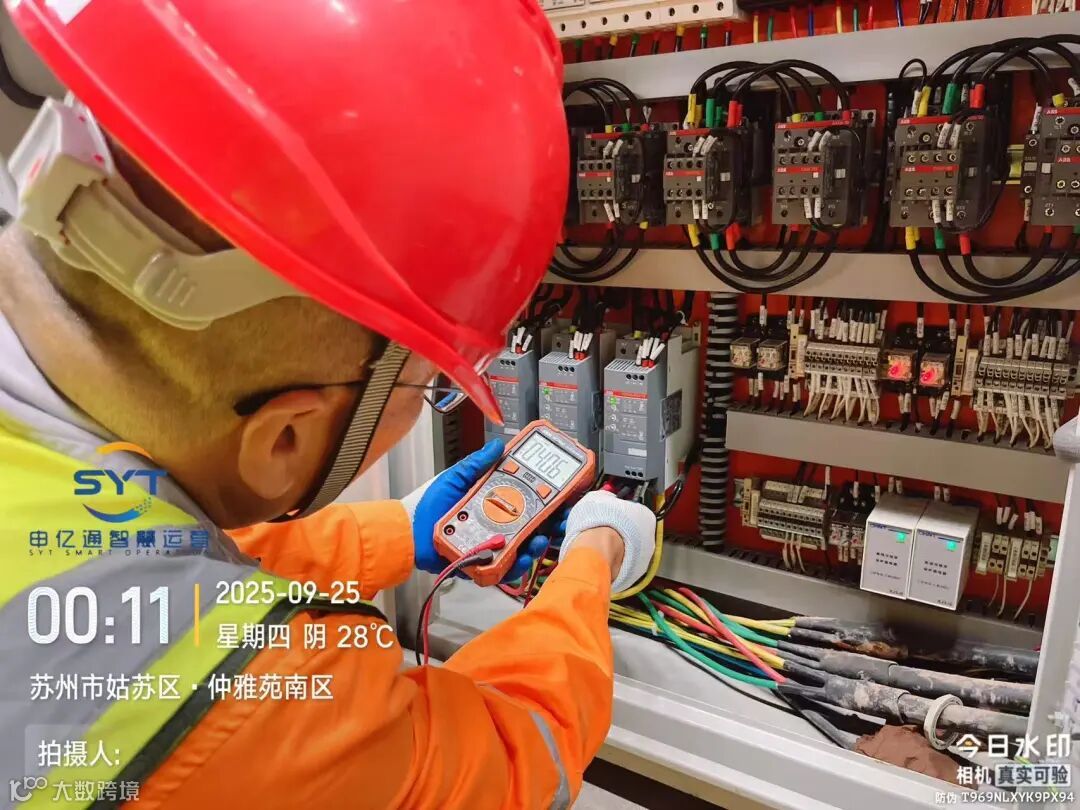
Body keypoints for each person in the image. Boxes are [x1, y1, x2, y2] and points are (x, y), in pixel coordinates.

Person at [0, 2, 657, 809]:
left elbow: (138, 565)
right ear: (284, 438)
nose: (428, 401)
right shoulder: (254, 705)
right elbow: (518, 751)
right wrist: (595, 554)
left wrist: (400, 530)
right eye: (428, 384)